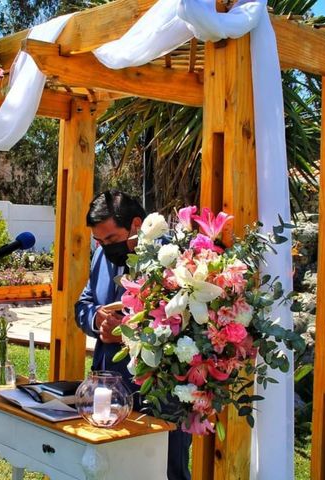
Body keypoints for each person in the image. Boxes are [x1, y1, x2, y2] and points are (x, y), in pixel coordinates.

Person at [75, 190, 192, 480]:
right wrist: (96, 320)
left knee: (165, 471)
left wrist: (127, 335)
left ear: (137, 224)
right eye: (99, 241)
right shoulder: (101, 255)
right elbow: (84, 303)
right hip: (109, 391)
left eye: (111, 239)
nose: (104, 247)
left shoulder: (171, 256)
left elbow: (182, 323)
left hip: (160, 394)